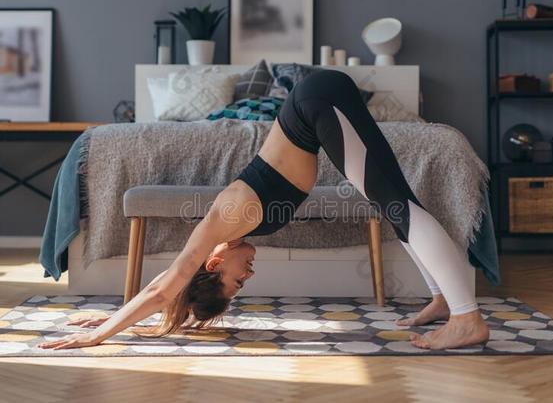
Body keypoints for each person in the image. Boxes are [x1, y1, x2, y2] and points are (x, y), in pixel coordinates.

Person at [37, 69, 489, 351]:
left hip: (318, 101)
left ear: (213, 263)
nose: (247, 276)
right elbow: (164, 286)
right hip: (317, 104)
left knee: (398, 205)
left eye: (236, 279)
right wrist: (113, 314)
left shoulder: (222, 222)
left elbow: (164, 288)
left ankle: (467, 319)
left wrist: (99, 335)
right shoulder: (218, 239)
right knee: (393, 205)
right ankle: (444, 298)